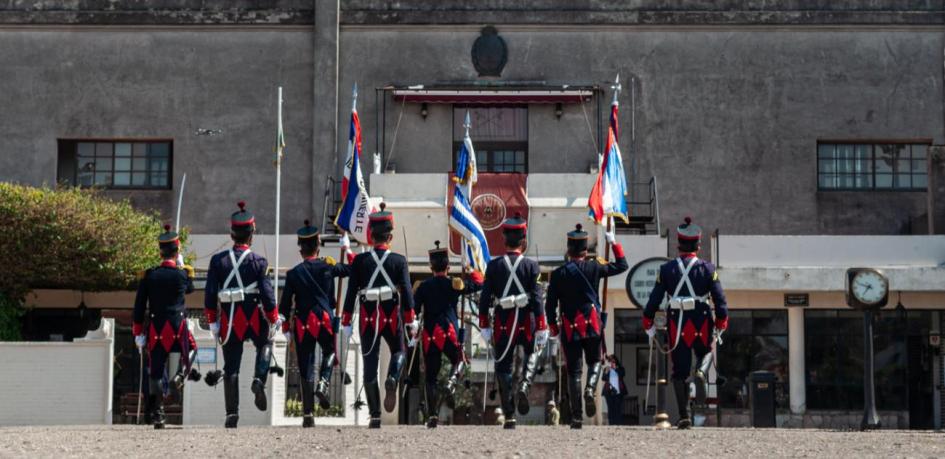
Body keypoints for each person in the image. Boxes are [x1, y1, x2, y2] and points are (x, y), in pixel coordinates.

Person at [642, 217, 728, 429]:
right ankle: (700, 372)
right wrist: (721, 322)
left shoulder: (666, 269)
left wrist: (648, 321)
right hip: (701, 320)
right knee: (706, 351)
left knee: (678, 372)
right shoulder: (708, 269)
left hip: (677, 323)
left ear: (678, 245)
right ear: (698, 245)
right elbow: (720, 300)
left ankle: (684, 417)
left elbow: (653, 300)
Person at [204, 201, 280, 428]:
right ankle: (258, 379)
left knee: (231, 367)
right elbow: (267, 295)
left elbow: (209, 295)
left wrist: (212, 321)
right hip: (254, 316)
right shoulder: (259, 261)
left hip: (229, 320)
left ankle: (232, 414)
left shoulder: (218, 261)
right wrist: (274, 318)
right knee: (265, 344)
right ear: (251, 233)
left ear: (232, 233)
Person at [342, 203, 417, 428]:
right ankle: (393, 377)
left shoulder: (360, 262)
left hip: (367, 318)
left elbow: (351, 292)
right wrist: (411, 319)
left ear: (371, 235)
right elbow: (407, 292)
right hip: (391, 315)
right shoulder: (399, 261)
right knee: (399, 351)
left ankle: (375, 415)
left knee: (369, 365)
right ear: (390, 236)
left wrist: (346, 320)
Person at [545, 223, 628, 429]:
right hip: (592, 324)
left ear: (568, 248)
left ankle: (576, 417)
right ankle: (590, 388)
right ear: (585, 249)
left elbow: (550, 304)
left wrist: (553, 327)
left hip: (569, 326)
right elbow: (622, 265)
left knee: (574, 372)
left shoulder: (557, 274)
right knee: (595, 362)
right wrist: (613, 243)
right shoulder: (595, 267)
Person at [479, 213, 549, 429]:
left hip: (502, 323)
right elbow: (537, 299)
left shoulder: (493, 266)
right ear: (523, 239)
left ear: (504, 238)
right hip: (525, 322)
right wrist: (542, 326)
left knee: (503, 367)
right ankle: (525, 387)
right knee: (533, 351)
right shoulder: (531, 266)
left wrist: (483, 325)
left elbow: (484, 298)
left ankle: (509, 414)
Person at [279, 220, 352, 427]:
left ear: (301, 249)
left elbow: (284, 306)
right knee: (329, 353)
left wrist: (285, 329)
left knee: (305, 365)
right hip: (325, 320)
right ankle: (324, 383)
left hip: (303, 324)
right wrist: (345, 247)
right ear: (318, 246)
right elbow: (351, 269)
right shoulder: (328, 266)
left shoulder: (293, 274)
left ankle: (308, 414)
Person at [413, 241, 484, 428]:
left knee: (430, 378)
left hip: (430, 335)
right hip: (448, 332)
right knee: (459, 361)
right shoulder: (455, 284)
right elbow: (479, 283)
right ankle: (452, 383)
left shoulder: (423, 286)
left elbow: (413, 309)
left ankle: (432, 416)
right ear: (448, 267)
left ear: (430, 267)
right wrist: (469, 268)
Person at [133, 225, 197, 429]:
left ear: (160, 251)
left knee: (155, 370)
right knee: (193, 350)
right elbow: (191, 289)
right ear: (177, 251)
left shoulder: (149, 275)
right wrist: (183, 265)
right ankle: (179, 375)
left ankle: (159, 415)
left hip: (157, 329)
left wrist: (137, 332)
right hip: (178, 327)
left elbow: (139, 306)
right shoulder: (181, 275)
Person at [603, 354, 628, 425]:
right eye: (610, 362)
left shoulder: (620, 368)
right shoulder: (607, 369)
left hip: (618, 392)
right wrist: (606, 372)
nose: (612, 363)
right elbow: (603, 378)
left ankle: (618, 424)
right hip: (608, 391)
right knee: (610, 408)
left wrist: (615, 369)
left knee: (618, 408)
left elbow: (622, 375)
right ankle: (611, 424)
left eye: (613, 362)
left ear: (616, 362)